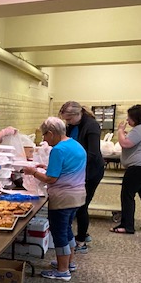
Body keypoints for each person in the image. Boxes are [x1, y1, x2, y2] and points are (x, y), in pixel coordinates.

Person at [23, 117, 86, 281]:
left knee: (59, 233)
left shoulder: (58, 149)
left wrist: (33, 172)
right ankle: (69, 263)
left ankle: (62, 270)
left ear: (51, 133)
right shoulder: (75, 144)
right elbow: (66, 168)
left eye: (44, 135)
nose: (44, 139)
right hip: (78, 196)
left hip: (63, 198)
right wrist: (47, 167)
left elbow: (51, 179)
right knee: (67, 230)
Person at [59, 101, 104, 252]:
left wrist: (72, 163)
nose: (67, 122)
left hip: (91, 171)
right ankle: (83, 234)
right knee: (77, 204)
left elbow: (93, 153)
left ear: (78, 115)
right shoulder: (73, 125)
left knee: (81, 206)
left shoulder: (91, 126)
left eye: (69, 119)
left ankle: (81, 241)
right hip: (78, 170)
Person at [110, 104, 141, 234]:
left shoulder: (140, 129)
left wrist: (120, 131)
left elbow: (125, 143)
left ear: (136, 118)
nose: (127, 120)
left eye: (129, 118)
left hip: (139, 167)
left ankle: (127, 226)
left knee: (127, 195)